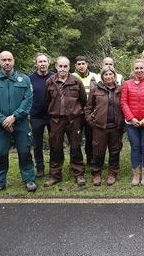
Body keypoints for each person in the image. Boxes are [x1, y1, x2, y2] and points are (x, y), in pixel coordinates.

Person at [0, 51, 36, 193]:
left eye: (9, 59)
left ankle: (29, 179)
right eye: (4, 60)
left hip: (21, 122)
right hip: (0, 124)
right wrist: (3, 120)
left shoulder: (24, 79)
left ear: (14, 61)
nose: (7, 62)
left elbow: (28, 101)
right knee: (0, 153)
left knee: (25, 151)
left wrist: (14, 117)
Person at [45, 56, 87, 188]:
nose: (62, 69)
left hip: (74, 119)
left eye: (65, 66)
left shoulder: (76, 81)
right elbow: (47, 101)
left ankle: (79, 174)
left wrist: (76, 112)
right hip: (56, 119)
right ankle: (55, 175)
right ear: (56, 67)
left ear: (69, 67)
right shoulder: (50, 82)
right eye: (60, 66)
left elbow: (83, 100)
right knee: (55, 147)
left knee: (75, 146)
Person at [121, 59, 144, 186]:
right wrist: (131, 118)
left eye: (141, 68)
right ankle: (136, 174)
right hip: (131, 123)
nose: (139, 70)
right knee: (135, 147)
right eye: (136, 68)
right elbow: (124, 102)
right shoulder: (126, 84)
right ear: (133, 69)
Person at [85, 66, 124, 186]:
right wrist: (91, 121)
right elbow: (88, 108)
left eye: (110, 74)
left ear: (114, 76)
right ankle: (96, 173)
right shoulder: (95, 89)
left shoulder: (121, 89)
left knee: (115, 150)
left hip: (116, 127)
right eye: (105, 75)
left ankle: (112, 172)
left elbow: (125, 105)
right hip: (99, 127)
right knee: (98, 151)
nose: (108, 77)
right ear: (102, 77)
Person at [29, 52, 52, 178]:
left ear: (49, 63)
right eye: (40, 62)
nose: (42, 64)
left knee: (54, 142)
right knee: (37, 144)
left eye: (44, 61)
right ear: (36, 64)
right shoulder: (30, 79)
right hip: (36, 116)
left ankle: (54, 167)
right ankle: (40, 168)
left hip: (52, 116)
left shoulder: (54, 77)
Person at [72, 56, 97, 165]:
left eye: (83, 63)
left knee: (90, 136)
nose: (81, 66)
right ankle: (76, 160)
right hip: (76, 112)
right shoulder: (72, 77)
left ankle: (90, 158)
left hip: (91, 111)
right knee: (75, 137)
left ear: (87, 64)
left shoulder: (95, 77)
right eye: (79, 64)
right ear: (75, 66)